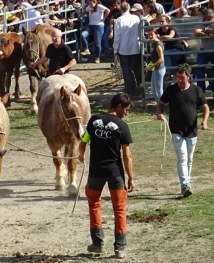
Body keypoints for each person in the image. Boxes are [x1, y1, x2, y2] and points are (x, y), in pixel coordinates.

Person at [78, 93, 135, 259]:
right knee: (119, 209)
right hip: (115, 173)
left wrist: (81, 155)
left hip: (96, 172)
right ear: (118, 107)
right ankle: (120, 248)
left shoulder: (93, 120)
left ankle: (97, 244)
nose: (127, 113)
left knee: (94, 205)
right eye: (126, 109)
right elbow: (127, 156)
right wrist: (131, 177)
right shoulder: (122, 126)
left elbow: (83, 142)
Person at [157, 63, 209, 198]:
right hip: (176, 130)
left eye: (182, 77)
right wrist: (160, 113)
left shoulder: (196, 91)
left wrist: (204, 121)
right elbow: (161, 104)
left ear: (189, 77)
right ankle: (184, 185)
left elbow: (205, 107)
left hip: (192, 130)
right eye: (178, 77)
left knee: (190, 159)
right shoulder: (170, 90)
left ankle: (187, 183)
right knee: (182, 158)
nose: (179, 80)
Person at [113, 1, 140, 95]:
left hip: (123, 49)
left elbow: (117, 37)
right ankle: (136, 88)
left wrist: (115, 49)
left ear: (121, 9)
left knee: (126, 70)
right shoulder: (136, 18)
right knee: (134, 69)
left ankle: (130, 89)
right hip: (135, 48)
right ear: (129, 8)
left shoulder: (119, 20)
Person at [157, 14, 185, 80]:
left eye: (162, 21)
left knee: (164, 54)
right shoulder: (159, 30)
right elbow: (153, 33)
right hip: (170, 52)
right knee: (176, 70)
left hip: (178, 50)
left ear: (167, 22)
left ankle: (167, 74)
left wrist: (160, 37)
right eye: (160, 21)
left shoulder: (171, 29)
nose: (161, 23)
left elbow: (170, 36)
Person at [194, 8, 214, 93]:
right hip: (204, 50)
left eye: (205, 17)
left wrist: (204, 30)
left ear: (210, 17)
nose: (203, 18)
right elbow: (196, 32)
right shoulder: (201, 21)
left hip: (213, 50)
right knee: (199, 67)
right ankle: (201, 90)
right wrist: (208, 32)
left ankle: (213, 90)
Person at [147, 27, 165, 103]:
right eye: (148, 35)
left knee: (159, 91)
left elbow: (161, 59)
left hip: (159, 69)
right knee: (154, 90)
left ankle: (161, 108)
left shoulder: (158, 45)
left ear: (156, 35)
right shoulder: (153, 43)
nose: (150, 36)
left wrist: (152, 66)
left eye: (152, 34)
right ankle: (159, 106)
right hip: (156, 69)